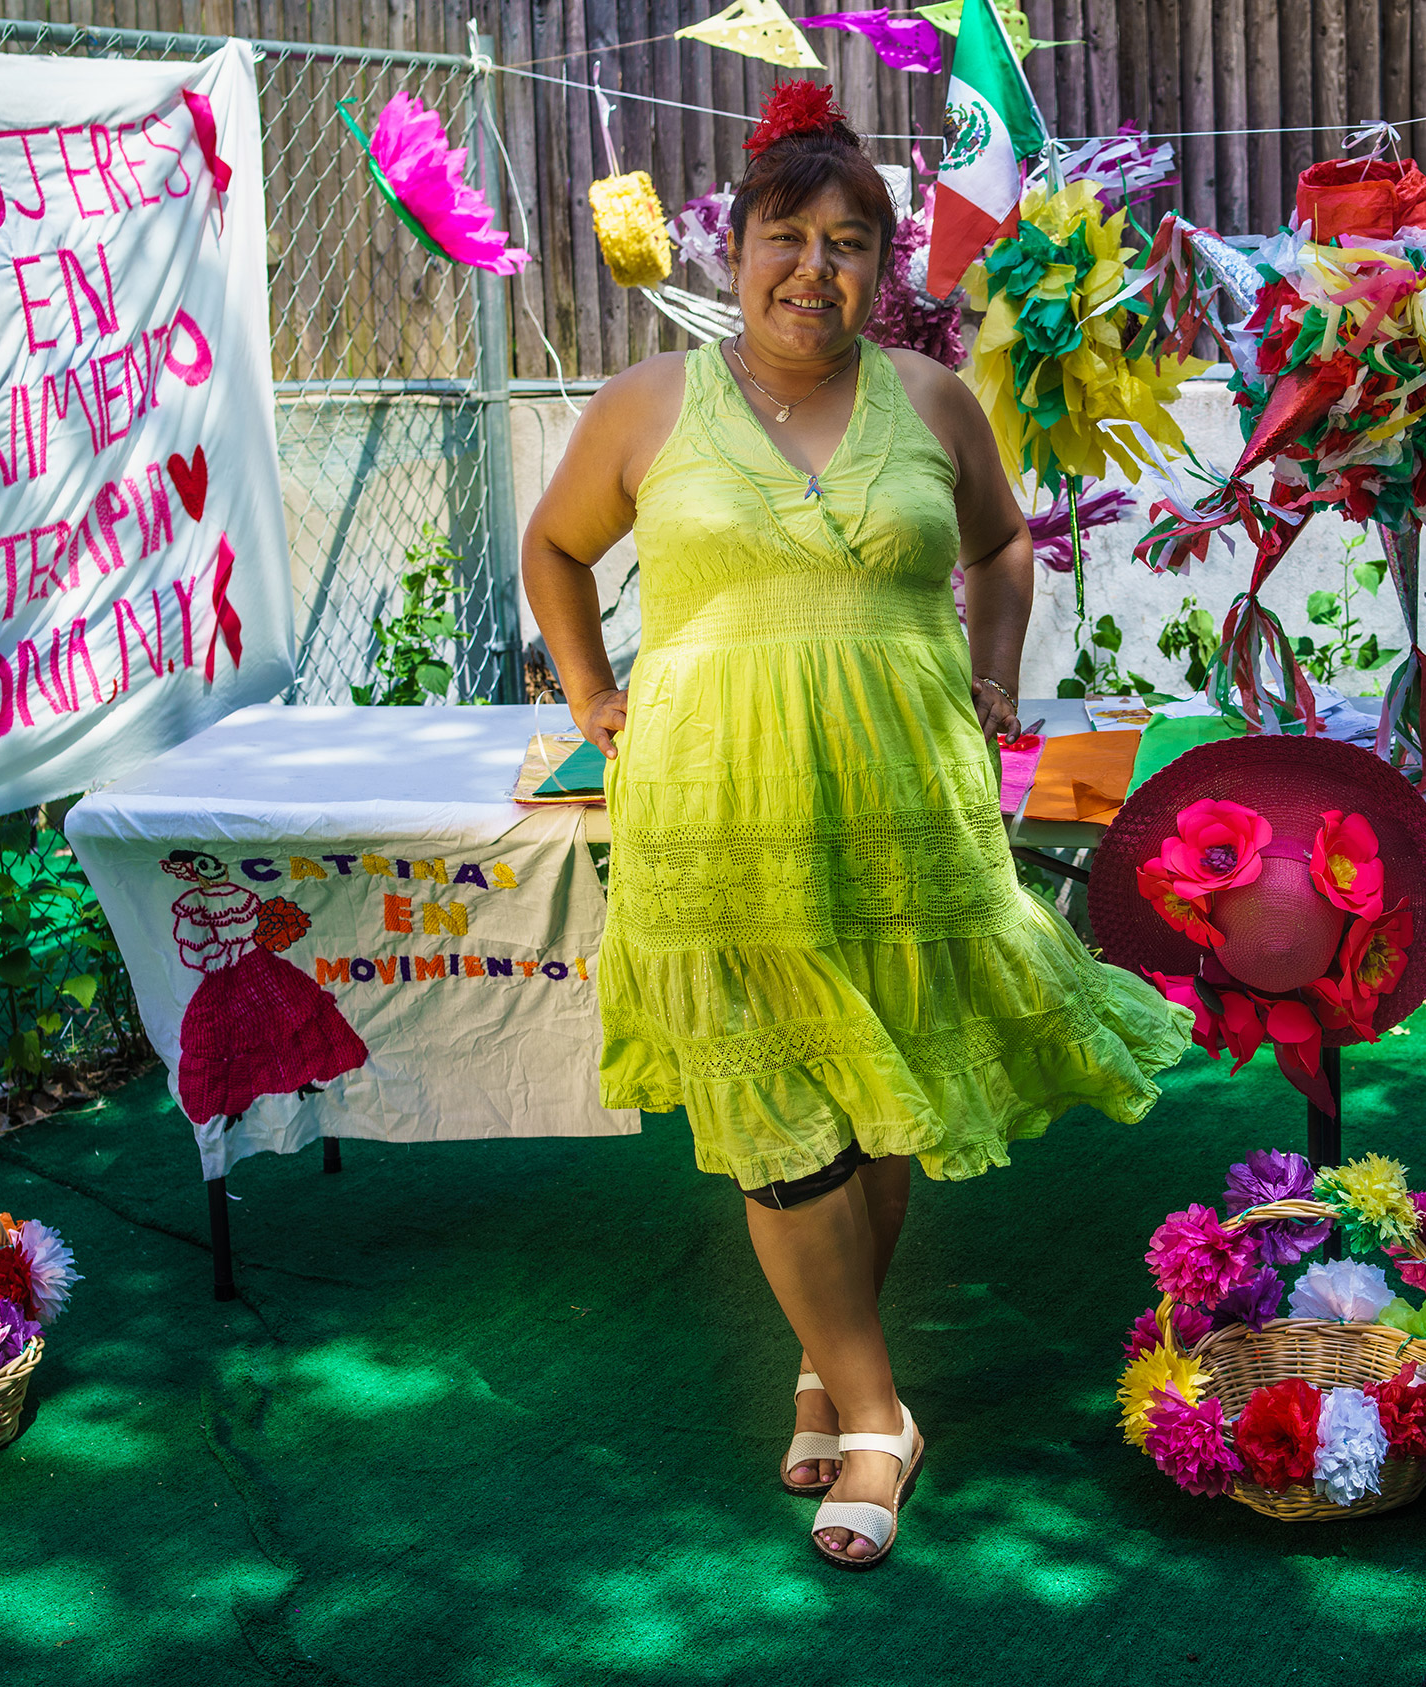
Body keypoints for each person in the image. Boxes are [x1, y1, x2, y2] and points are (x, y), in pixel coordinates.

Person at [521, 84, 1190, 1569]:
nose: (811, 268)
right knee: (778, 1113)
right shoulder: (647, 405)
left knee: (873, 1084)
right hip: (714, 808)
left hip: (903, 797)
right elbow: (555, 546)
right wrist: (592, 696)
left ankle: (834, 1358)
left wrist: (1002, 668)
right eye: (784, 236)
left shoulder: (930, 400)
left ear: (881, 267)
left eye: (846, 243)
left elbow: (1005, 536)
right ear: (733, 248)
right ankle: (882, 1412)